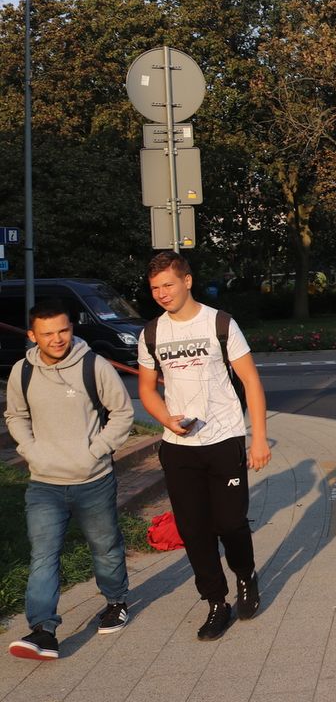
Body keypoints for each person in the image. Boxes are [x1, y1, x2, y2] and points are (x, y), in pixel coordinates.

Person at [137, 251, 270, 641]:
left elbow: (251, 383)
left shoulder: (220, 323)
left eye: (168, 285)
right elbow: (146, 389)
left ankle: (246, 577)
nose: (162, 293)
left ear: (187, 281)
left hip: (224, 438)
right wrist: (166, 419)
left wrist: (258, 438)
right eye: (155, 288)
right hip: (178, 446)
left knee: (229, 523)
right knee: (194, 531)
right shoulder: (152, 333)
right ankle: (216, 602)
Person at [5, 299, 134, 660]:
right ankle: (43, 630)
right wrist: (32, 451)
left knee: (105, 548)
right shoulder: (22, 371)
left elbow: (122, 414)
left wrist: (95, 451)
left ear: (71, 328)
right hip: (44, 483)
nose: (57, 339)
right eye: (47, 333)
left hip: (93, 480)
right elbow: (15, 415)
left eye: (63, 330)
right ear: (33, 335)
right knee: (43, 556)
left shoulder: (94, 365)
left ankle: (116, 602)